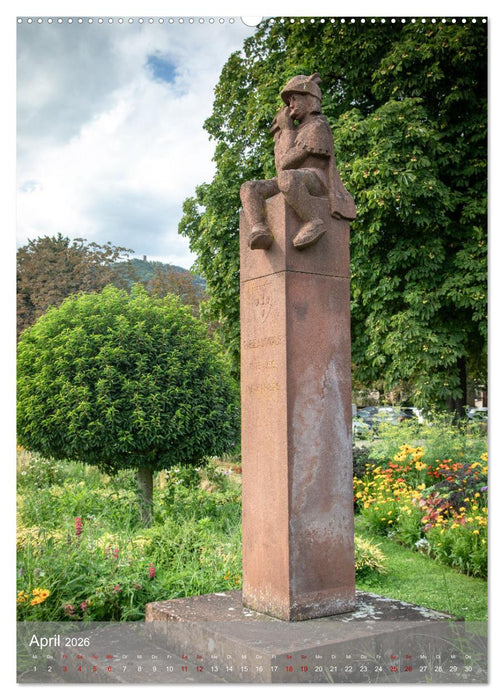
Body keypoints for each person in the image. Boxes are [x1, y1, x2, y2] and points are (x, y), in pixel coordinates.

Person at [240, 73, 356, 250]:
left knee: (287, 178)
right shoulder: (296, 130)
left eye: (294, 99)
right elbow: (280, 166)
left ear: (309, 99)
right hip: (293, 178)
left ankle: (313, 221)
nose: (291, 105)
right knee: (249, 188)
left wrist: (287, 130)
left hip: (317, 180)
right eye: (288, 102)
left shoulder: (317, 127)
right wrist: (283, 134)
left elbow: (286, 163)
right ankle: (260, 229)